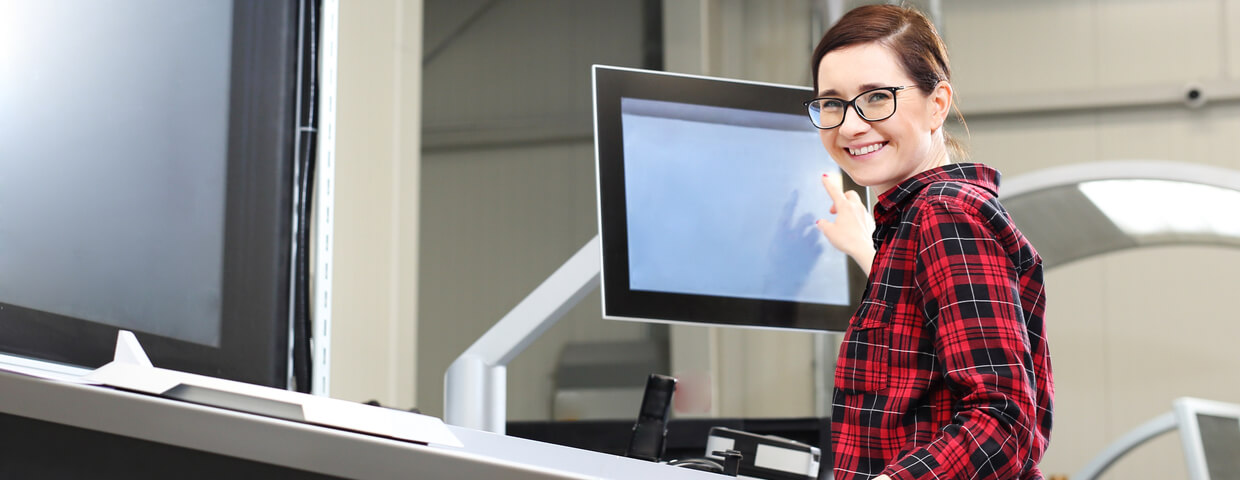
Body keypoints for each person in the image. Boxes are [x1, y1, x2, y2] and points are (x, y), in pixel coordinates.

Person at [807, 5, 1053, 480]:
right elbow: (925, 348)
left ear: (937, 103)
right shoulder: (922, 219)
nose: (850, 125)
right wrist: (866, 248)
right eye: (832, 103)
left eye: (876, 97)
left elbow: (1002, 421)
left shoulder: (945, 214)